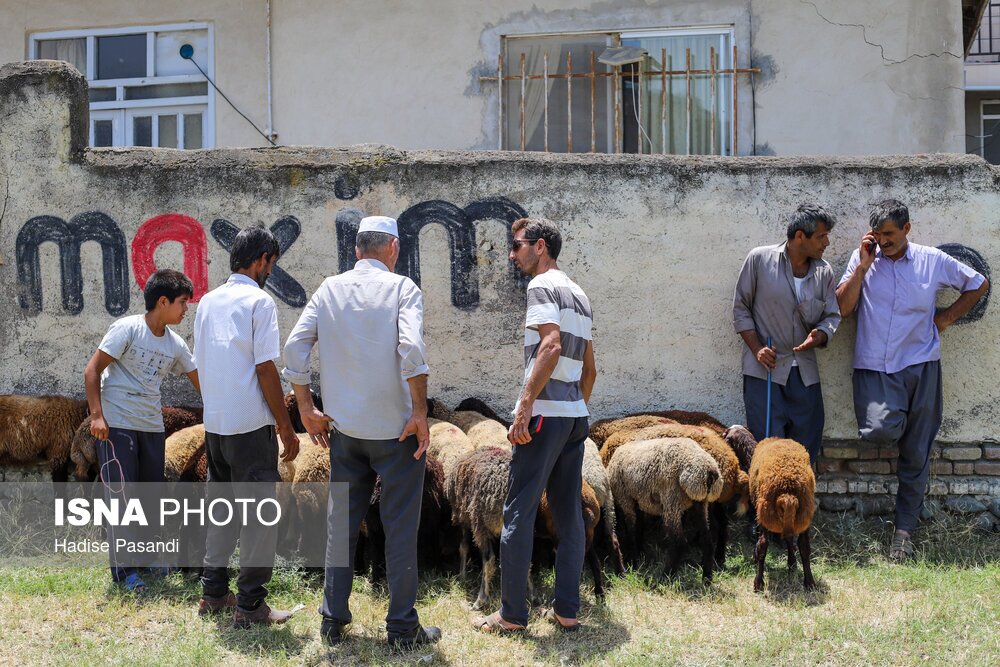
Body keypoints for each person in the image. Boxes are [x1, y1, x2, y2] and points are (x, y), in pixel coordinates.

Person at [282, 215, 439, 648]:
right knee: (400, 527)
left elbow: (294, 347)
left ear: (356, 250)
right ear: (393, 248)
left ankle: (332, 620)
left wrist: (306, 406)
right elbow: (412, 347)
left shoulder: (329, 289)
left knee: (341, 525)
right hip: (398, 433)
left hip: (345, 433)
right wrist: (420, 411)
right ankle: (402, 627)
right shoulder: (402, 288)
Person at [837, 199, 989, 562]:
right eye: (878, 234)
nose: (883, 241)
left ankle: (904, 532)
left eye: (890, 233)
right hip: (875, 367)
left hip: (921, 364)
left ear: (907, 229)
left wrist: (946, 318)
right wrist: (862, 267)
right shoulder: (863, 259)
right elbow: (842, 307)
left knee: (917, 453)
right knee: (879, 431)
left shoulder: (931, 260)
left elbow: (978, 284)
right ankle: (905, 427)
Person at [473, 217, 596, 634]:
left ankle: (511, 614)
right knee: (569, 514)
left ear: (540, 246)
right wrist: (574, 408)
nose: (512, 254)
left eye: (517, 246)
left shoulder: (541, 286)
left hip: (544, 416)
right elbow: (590, 370)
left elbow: (551, 345)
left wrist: (525, 406)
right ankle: (567, 611)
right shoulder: (578, 293)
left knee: (518, 512)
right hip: (574, 417)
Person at [193, 224, 300, 625]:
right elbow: (265, 367)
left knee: (221, 511)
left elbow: (202, 361)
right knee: (258, 519)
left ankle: (213, 593)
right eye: (271, 263)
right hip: (251, 428)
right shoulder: (260, 302)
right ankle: (251, 605)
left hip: (216, 425)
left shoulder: (207, 302)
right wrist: (285, 427)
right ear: (261, 260)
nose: (270, 271)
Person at [83, 269, 201, 592]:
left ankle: (147, 560)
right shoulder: (128, 329)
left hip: (151, 426)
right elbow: (92, 371)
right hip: (117, 426)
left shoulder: (175, 344)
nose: (185, 309)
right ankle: (124, 573)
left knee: (150, 498)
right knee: (123, 498)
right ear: (162, 301)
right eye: (182, 302)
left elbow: (200, 381)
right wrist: (97, 416)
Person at [732, 203, 842, 465]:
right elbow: (740, 308)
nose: (827, 243)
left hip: (805, 375)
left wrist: (821, 335)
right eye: (822, 236)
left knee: (806, 447)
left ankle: (802, 493)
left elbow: (832, 316)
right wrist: (757, 348)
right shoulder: (759, 260)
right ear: (800, 236)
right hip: (765, 373)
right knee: (767, 451)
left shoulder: (824, 272)